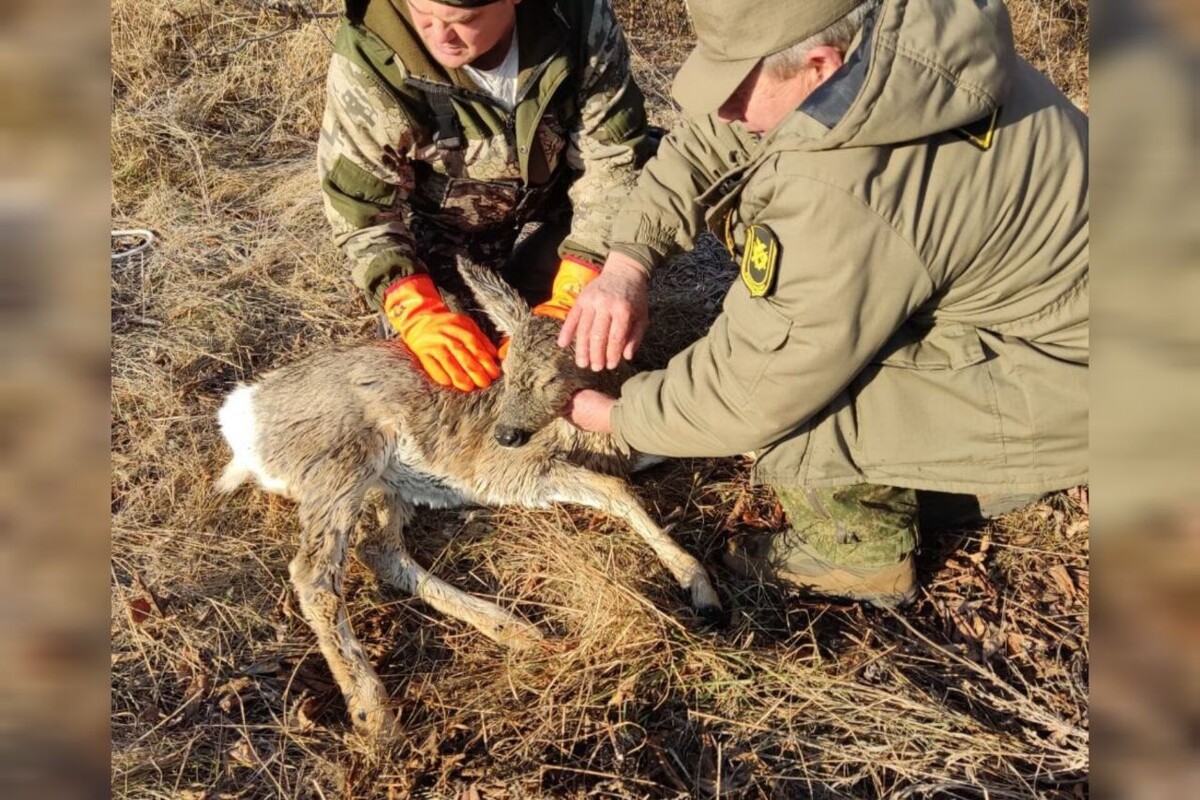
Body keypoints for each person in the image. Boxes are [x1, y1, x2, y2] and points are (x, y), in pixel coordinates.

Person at [564, 0, 1089, 608]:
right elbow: (708, 137)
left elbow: (752, 388)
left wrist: (617, 416)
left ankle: (859, 556)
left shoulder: (845, 187)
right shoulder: (896, 51)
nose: (726, 107)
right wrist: (628, 261)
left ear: (820, 64)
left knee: (800, 412)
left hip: (1071, 376)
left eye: (737, 88)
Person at [319, 0, 653, 391]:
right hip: (452, 225)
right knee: (458, 371)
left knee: (653, 189)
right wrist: (415, 309)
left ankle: (541, 275)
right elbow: (361, 210)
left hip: (564, 196)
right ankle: (507, 287)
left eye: (464, 20)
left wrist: (579, 284)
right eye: (421, 11)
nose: (438, 34)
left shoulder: (577, 15)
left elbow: (613, 163)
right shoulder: (373, 51)